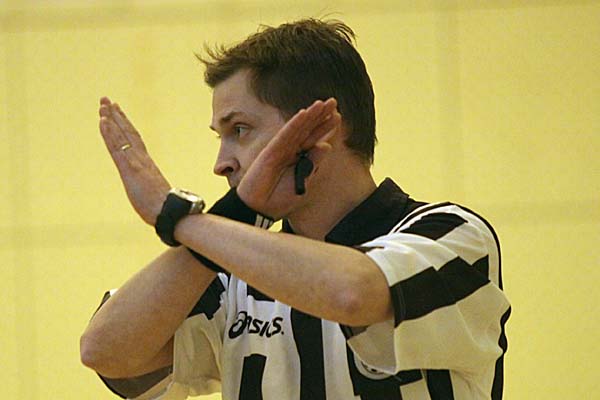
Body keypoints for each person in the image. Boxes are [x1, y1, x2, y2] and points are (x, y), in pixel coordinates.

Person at [80, 19, 511, 400]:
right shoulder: (234, 269)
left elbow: (351, 293)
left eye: (240, 129)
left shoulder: (453, 235)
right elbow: (106, 353)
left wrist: (181, 219)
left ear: (321, 129)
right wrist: (225, 219)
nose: (221, 163)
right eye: (221, 137)